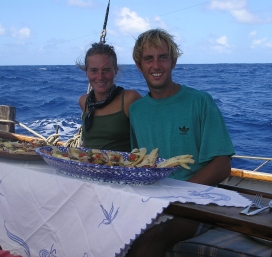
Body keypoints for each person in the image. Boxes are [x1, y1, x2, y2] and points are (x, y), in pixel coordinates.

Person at [127, 28, 235, 257]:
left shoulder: (200, 101)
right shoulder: (136, 111)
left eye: (162, 57)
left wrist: (177, 196)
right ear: (139, 65)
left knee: (148, 243)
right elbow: (138, 161)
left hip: (196, 203)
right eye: (148, 59)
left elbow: (222, 163)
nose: (156, 65)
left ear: (173, 62)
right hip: (149, 200)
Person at [77, 42, 141, 152]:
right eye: (94, 70)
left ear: (115, 71)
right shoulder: (84, 101)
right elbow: (89, 143)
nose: (100, 77)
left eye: (106, 70)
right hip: (90, 167)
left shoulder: (129, 99)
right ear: (86, 72)